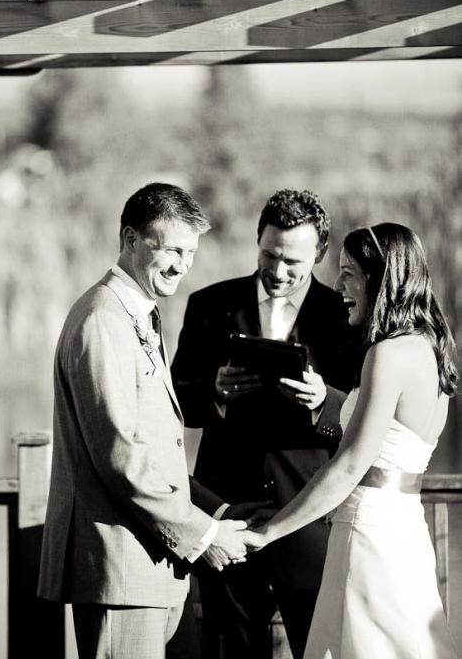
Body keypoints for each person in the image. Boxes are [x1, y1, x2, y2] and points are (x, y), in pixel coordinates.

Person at [38, 183, 250, 659]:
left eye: (191, 253)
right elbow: (119, 456)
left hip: (152, 565)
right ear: (131, 239)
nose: (182, 265)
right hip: (119, 570)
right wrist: (203, 536)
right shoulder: (102, 320)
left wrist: (215, 514)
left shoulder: (140, 313)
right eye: (172, 249)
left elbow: (156, 446)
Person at [243, 223, 458, 658]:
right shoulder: (430, 347)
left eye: (349, 273)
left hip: (369, 534)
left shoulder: (388, 353)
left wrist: (269, 532)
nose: (338, 284)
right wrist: (329, 400)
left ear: (381, 278)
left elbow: (348, 467)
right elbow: (390, 440)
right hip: (404, 528)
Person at [171, 189, 358, 659]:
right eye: (269, 254)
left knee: (319, 650)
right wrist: (214, 392)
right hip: (225, 514)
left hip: (308, 515)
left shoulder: (344, 315)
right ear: (257, 240)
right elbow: (175, 403)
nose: (277, 271)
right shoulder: (208, 305)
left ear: (319, 254)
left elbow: (367, 413)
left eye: (293, 261)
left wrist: (326, 401)